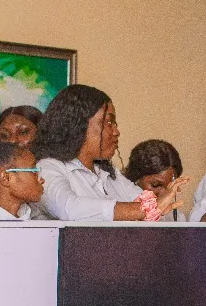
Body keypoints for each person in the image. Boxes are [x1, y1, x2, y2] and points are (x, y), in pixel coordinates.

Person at [34, 85, 186, 222]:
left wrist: (161, 204)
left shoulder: (110, 175)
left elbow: (154, 209)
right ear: (78, 125)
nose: (116, 131)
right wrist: (146, 209)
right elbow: (69, 209)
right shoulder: (47, 168)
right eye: (108, 122)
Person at [0, 106, 48, 220]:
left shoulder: (53, 172)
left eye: (23, 132)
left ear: (41, 135)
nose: (13, 140)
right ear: (5, 178)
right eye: (5, 135)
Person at [124, 139, 185, 221]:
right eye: (155, 185)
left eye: (170, 187)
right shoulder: (118, 211)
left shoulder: (177, 218)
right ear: (136, 179)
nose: (163, 194)